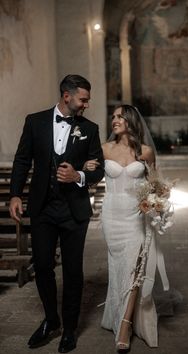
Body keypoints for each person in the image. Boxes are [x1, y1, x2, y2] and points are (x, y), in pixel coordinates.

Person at [9, 74, 104, 353]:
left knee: (73, 272)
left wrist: (77, 175)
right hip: (41, 208)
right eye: (83, 99)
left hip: (74, 210)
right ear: (67, 96)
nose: (87, 104)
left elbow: (98, 170)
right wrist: (15, 194)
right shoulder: (34, 121)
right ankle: (52, 321)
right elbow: (22, 159)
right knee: (43, 267)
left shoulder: (90, 128)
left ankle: (70, 329)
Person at [84, 104, 173, 352]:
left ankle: (124, 326)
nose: (114, 120)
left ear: (131, 120)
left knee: (136, 268)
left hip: (135, 217)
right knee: (118, 268)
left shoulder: (145, 152)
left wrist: (158, 200)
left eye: (119, 116)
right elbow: (89, 175)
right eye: (112, 116)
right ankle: (118, 314)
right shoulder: (104, 149)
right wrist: (88, 168)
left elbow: (156, 185)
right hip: (111, 216)